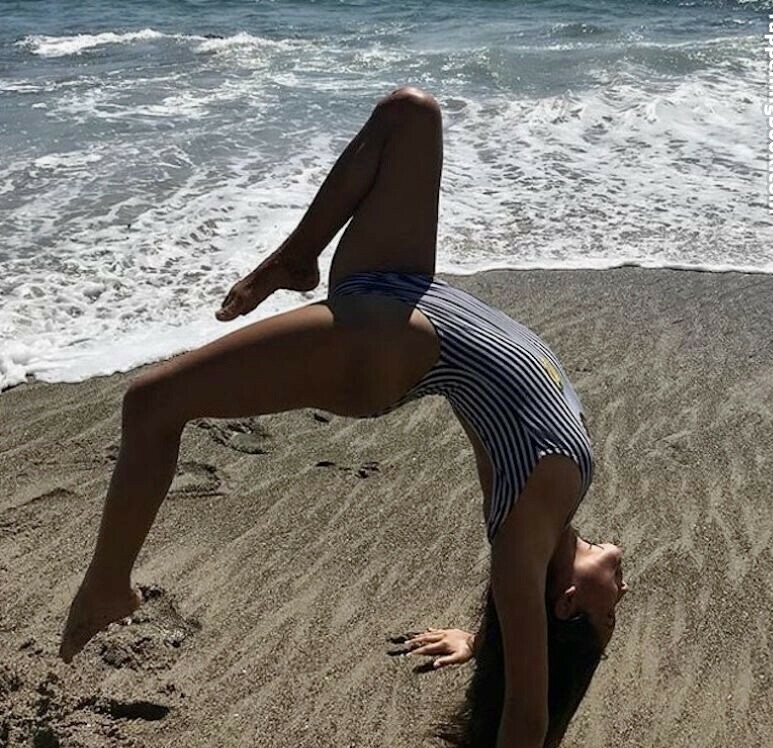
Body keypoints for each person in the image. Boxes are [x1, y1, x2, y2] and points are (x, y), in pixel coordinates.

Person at [58, 85, 627, 747]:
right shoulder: (556, 503)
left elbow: (526, 719)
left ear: (568, 603)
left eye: (610, 613)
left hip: (380, 349)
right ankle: (296, 258)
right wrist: (483, 639)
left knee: (150, 403)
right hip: (405, 288)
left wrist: (514, 645)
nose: (624, 590)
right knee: (410, 115)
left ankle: (107, 585)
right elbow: (519, 606)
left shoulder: (523, 537)